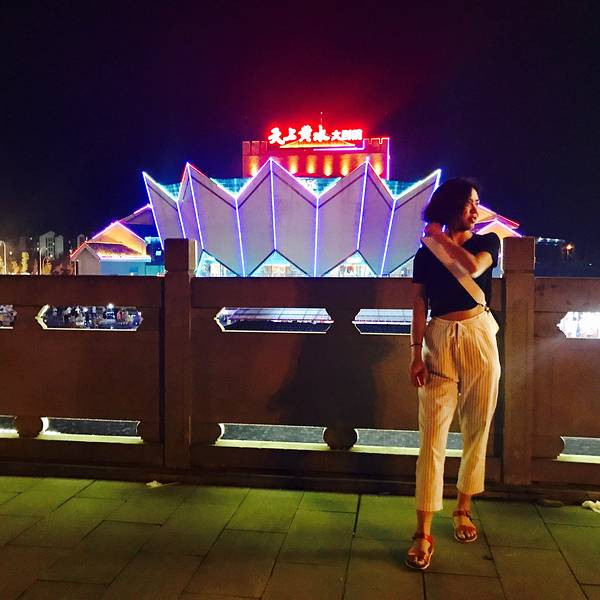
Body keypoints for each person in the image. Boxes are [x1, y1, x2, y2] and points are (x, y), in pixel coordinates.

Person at [405, 178, 501, 570]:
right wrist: (415, 353)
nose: (475, 210)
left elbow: (473, 269)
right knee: (432, 435)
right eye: (468, 203)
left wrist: (439, 238)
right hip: (439, 337)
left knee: (477, 426)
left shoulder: (488, 242)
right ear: (450, 207)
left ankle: (463, 507)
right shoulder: (424, 254)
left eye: (477, 202)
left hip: (478, 333)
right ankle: (423, 529)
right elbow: (418, 304)